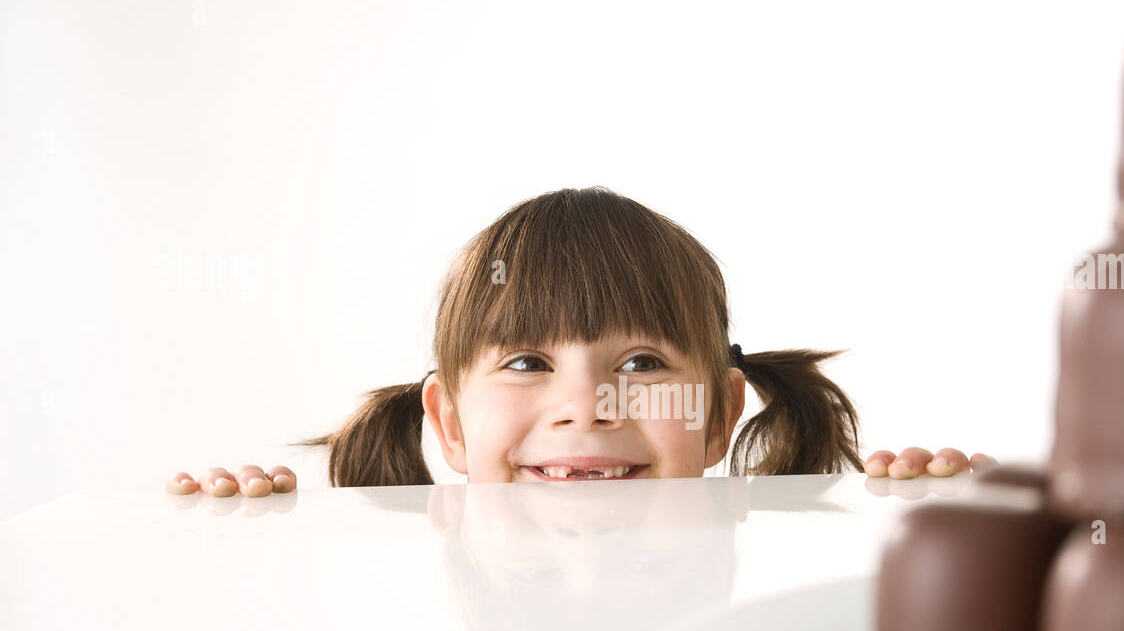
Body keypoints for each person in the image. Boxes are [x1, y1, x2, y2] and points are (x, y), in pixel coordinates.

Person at [167, 187, 992, 497]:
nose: (584, 408)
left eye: (640, 364)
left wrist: (990, 540)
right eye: (527, 363)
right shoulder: (388, 580)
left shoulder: (778, 572)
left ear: (716, 416)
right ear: (450, 425)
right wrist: (228, 539)